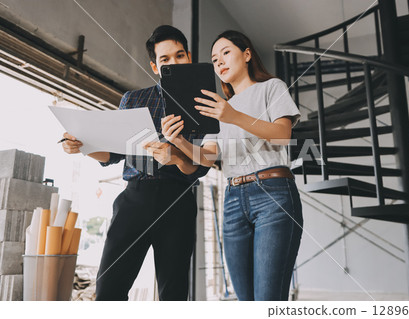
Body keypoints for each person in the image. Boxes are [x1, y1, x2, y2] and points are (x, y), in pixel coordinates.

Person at [61, 25, 209, 301]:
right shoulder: (134, 99)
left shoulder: (204, 103)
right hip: (134, 199)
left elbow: (199, 167)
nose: (173, 64)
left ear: (189, 57)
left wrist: (175, 156)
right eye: (165, 60)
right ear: (155, 66)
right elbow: (114, 154)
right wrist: (84, 147)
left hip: (177, 201)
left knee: (173, 294)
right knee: (108, 291)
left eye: (179, 56)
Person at [161, 30, 303, 301]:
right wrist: (178, 141)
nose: (220, 62)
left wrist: (234, 116)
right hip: (234, 199)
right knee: (245, 301)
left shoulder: (271, 88)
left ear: (247, 54)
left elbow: (282, 134)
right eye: (214, 60)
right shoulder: (220, 108)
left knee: (267, 301)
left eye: (226, 52)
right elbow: (208, 157)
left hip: (273, 194)